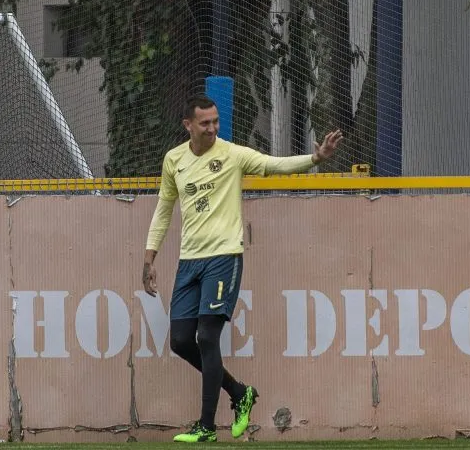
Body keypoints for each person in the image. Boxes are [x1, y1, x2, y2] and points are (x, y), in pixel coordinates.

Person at [142, 93, 343, 443]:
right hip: (189, 261)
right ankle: (239, 393)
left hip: (224, 257)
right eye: (204, 123)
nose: (212, 128)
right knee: (179, 341)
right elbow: (163, 209)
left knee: (206, 337)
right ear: (187, 125)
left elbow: (273, 164)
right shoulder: (174, 160)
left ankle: (206, 427)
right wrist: (150, 256)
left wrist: (316, 158)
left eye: (215, 121)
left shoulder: (232, 154)